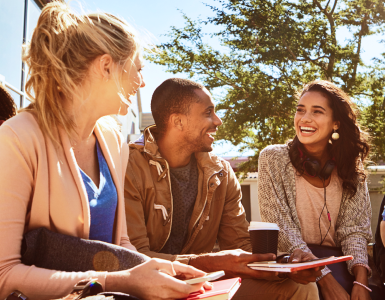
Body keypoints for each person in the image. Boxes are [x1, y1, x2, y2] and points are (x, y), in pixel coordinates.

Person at [0, 3, 209, 300]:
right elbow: (4, 275)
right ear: (106, 66)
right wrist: (117, 282)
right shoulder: (17, 138)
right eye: (137, 69)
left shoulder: (112, 139)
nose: (142, 82)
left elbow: (120, 243)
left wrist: (155, 268)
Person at [124, 78, 322, 300]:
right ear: (177, 121)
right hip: (147, 290)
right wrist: (207, 262)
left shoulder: (220, 173)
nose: (217, 121)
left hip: (203, 287)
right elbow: (133, 256)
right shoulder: (128, 166)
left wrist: (286, 262)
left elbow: (239, 244)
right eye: (208, 113)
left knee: (301, 288)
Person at [258, 80, 374, 300]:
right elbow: (281, 228)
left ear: (336, 123)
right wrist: (325, 279)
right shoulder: (272, 158)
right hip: (294, 267)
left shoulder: (350, 165)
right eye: (300, 110)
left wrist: (361, 280)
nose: (305, 118)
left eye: (317, 111)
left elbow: (355, 231)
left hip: (341, 264)